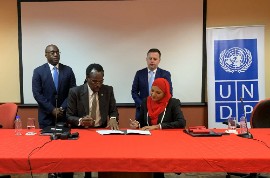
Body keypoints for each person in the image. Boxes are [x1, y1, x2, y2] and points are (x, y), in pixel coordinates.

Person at [65, 63, 119, 178]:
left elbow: (113, 111)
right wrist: (80, 120)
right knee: (83, 162)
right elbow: (69, 116)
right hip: (82, 132)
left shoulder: (108, 90)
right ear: (87, 78)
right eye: (94, 81)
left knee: (104, 163)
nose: (98, 85)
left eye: (101, 81)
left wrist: (113, 118)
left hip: (101, 131)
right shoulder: (75, 92)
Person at [130, 78, 185, 178]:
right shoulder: (146, 101)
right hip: (148, 141)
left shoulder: (173, 103)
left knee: (157, 165)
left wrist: (158, 127)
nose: (153, 94)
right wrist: (136, 124)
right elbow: (140, 121)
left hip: (166, 141)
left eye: (158, 92)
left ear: (165, 93)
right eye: (152, 90)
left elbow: (181, 122)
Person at [32, 44, 76, 129]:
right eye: (52, 52)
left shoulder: (68, 70)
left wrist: (62, 108)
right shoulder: (38, 71)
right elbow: (37, 94)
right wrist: (52, 109)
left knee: (64, 141)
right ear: (46, 54)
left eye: (57, 52)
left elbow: (72, 92)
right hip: (46, 116)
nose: (56, 55)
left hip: (63, 116)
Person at [131, 48, 172, 119]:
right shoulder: (139, 73)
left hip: (159, 110)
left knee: (157, 129)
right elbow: (134, 91)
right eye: (150, 58)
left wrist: (160, 105)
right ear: (146, 59)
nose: (152, 61)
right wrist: (142, 104)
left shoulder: (165, 74)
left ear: (159, 60)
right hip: (142, 110)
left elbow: (169, 92)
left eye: (155, 59)